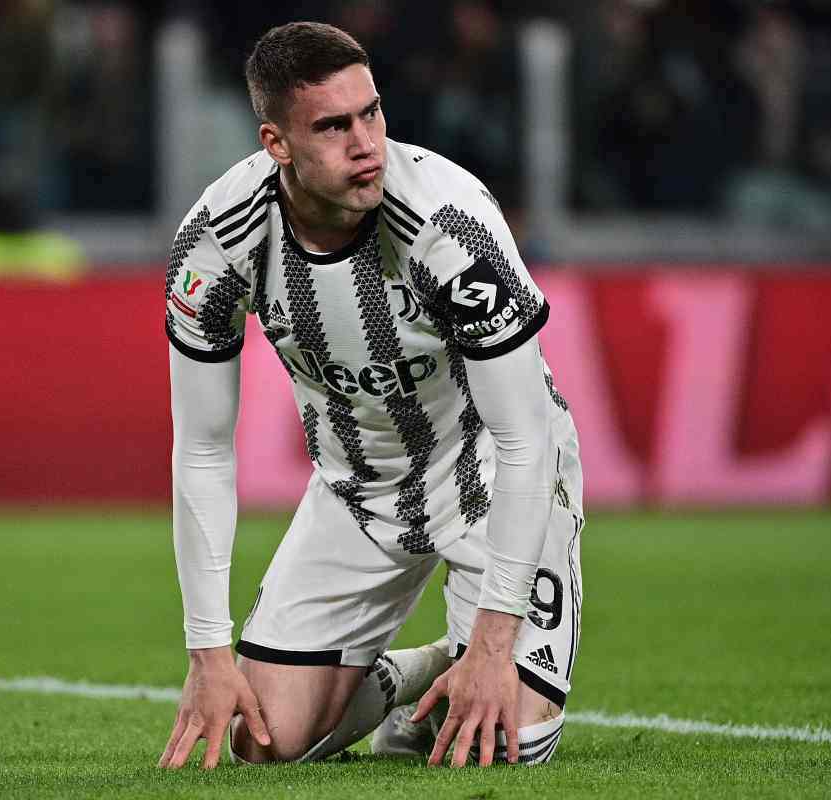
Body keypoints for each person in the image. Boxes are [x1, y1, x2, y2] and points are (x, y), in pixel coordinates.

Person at [160, 22, 584, 770]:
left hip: (489, 478)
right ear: (276, 143)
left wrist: (492, 646)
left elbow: (525, 438)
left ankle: (475, 660)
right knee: (261, 740)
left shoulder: (448, 223)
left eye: (372, 113)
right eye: (332, 126)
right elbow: (202, 449)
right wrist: (208, 652)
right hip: (358, 491)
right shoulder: (217, 243)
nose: (366, 145)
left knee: (504, 743)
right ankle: (417, 674)